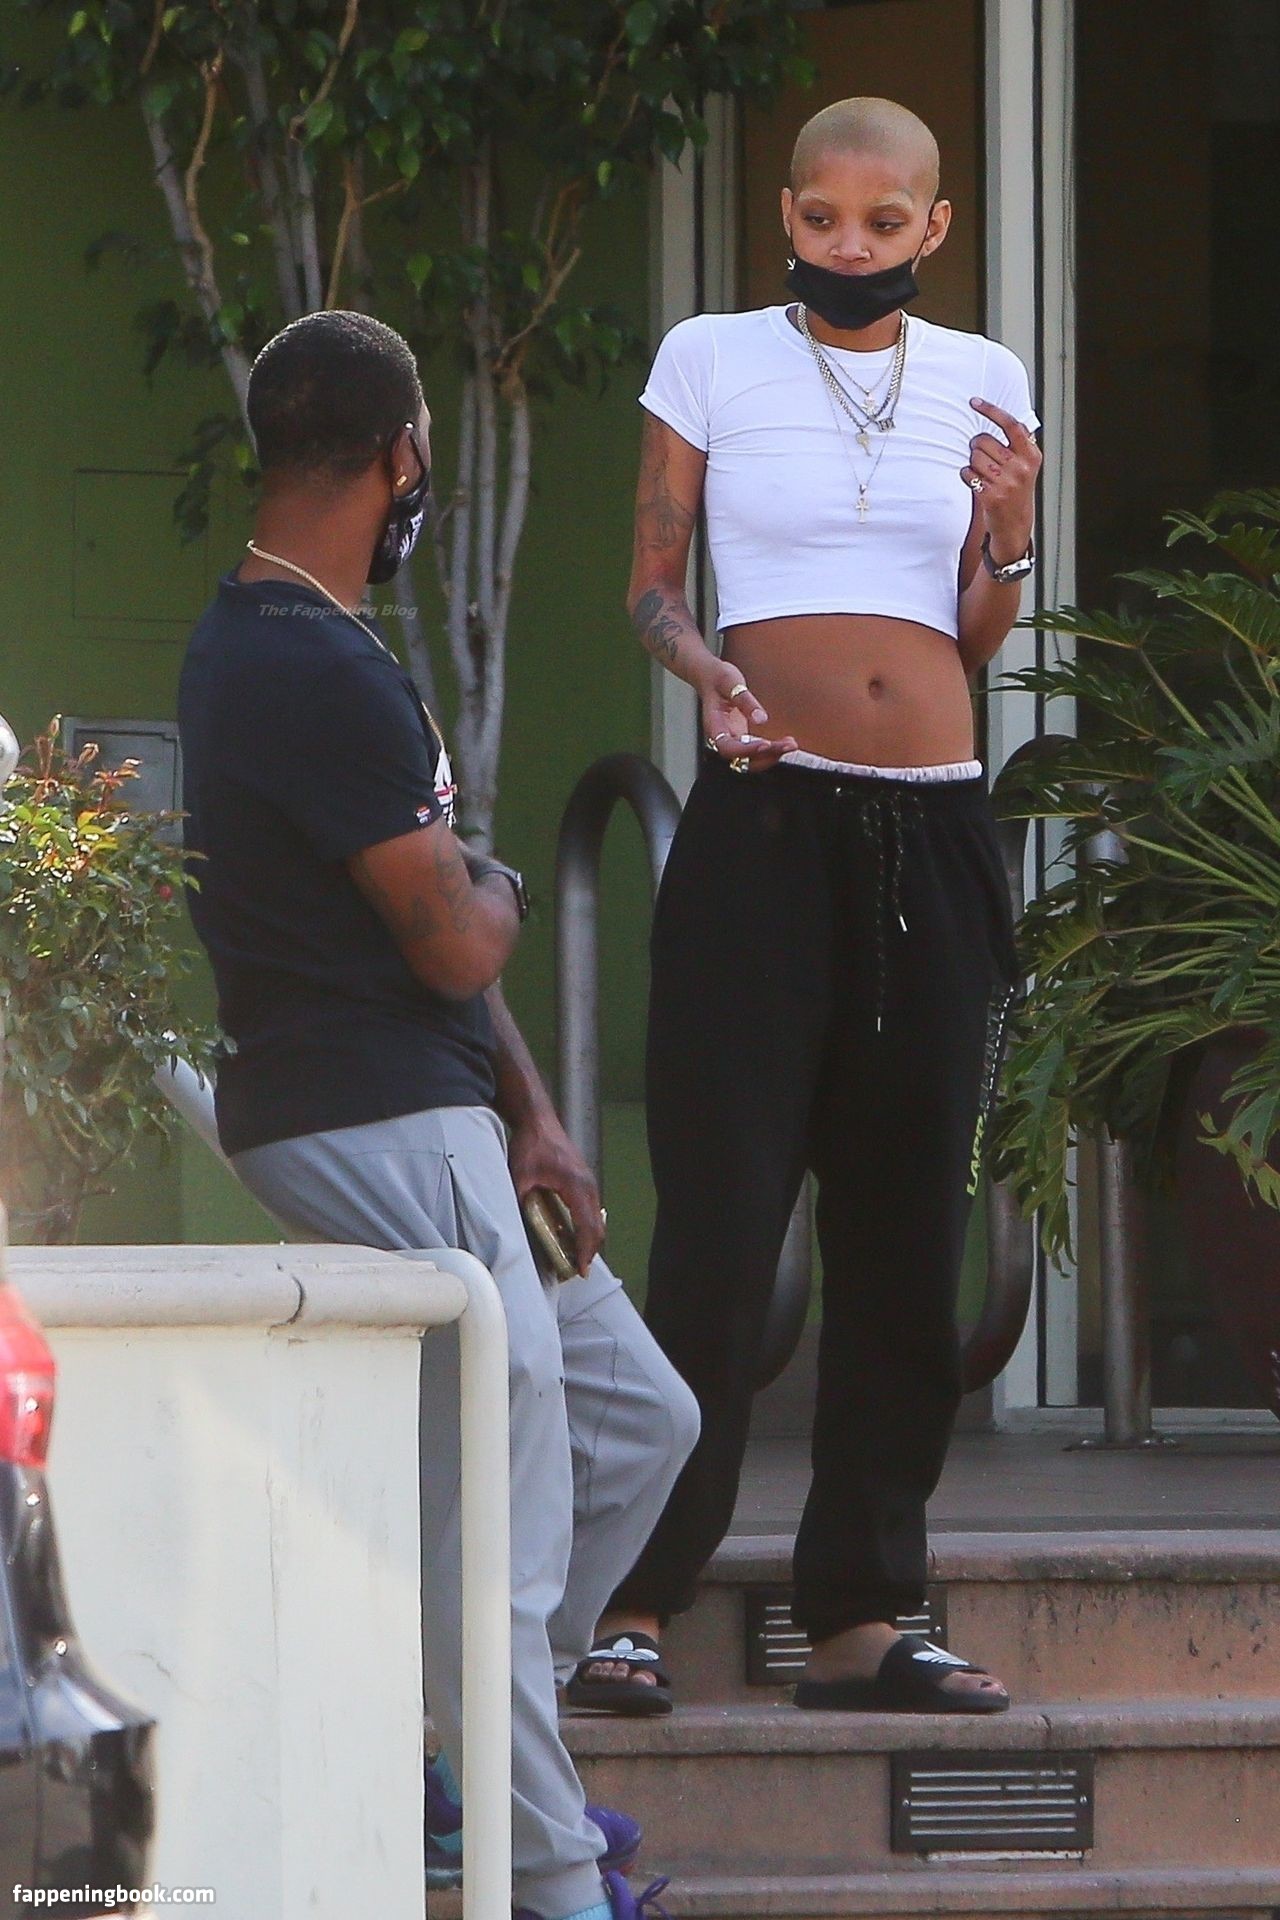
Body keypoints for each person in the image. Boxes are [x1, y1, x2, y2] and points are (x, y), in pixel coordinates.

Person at [177, 310, 698, 1920]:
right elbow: (458, 941)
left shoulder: (314, 638)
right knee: (502, 1498)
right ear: (402, 453)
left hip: (446, 1110)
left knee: (639, 1419)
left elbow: (438, 948)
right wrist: (505, 884)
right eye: (426, 452)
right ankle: (549, 1873)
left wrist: (535, 1113)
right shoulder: (304, 664)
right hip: (373, 1116)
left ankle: (465, 1744)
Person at [566, 98, 1040, 1718]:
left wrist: (1010, 544)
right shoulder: (710, 357)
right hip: (766, 827)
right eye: (822, 218)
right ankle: (632, 1598)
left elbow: (972, 632)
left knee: (907, 1242)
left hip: (939, 828)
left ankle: (863, 1612)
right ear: (785, 214)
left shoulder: (984, 376)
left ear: (933, 227)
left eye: (882, 223)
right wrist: (703, 670)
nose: (849, 245)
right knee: (718, 1228)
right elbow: (652, 584)